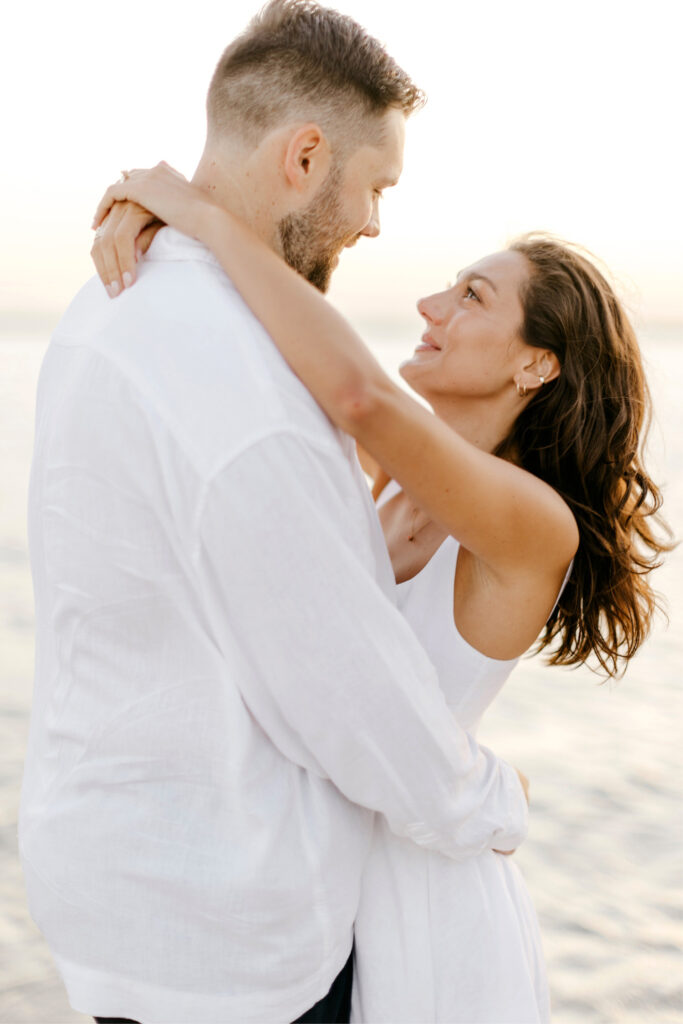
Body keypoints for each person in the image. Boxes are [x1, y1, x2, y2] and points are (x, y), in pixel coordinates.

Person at [20, 4, 534, 1024]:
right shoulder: (249, 388)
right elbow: (343, 688)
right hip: (230, 942)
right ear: (304, 156)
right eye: (373, 187)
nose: (374, 226)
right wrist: (489, 804)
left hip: (117, 890)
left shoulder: (104, 310)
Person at [89, 162, 671, 1023]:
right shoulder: (389, 482)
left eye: (472, 297)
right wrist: (153, 219)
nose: (431, 307)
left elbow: (354, 391)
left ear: (537, 365)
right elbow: (276, 343)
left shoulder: (531, 521)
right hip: (317, 879)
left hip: (424, 903)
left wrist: (197, 214)